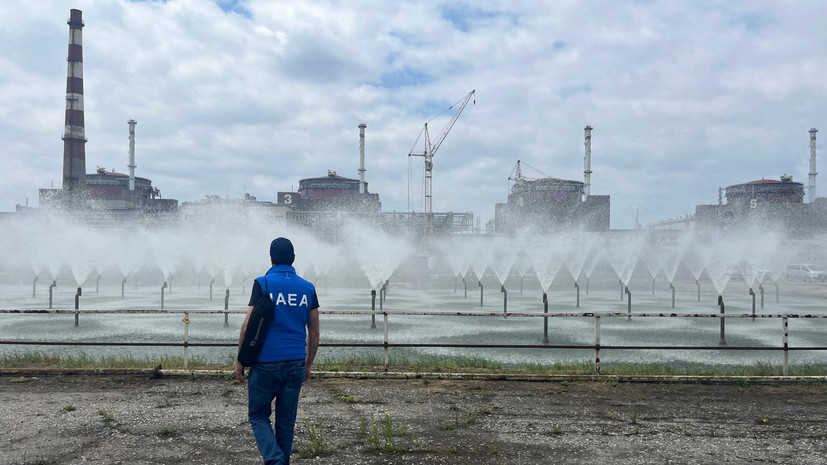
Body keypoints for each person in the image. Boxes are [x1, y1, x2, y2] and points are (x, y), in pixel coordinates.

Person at [235, 237, 320, 465]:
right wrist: (308, 364)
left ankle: (274, 460)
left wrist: (241, 360)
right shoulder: (308, 288)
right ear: (294, 258)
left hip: (265, 364)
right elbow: (314, 331)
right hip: (295, 363)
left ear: (271, 258)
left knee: (258, 415)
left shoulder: (263, 284)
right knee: (286, 422)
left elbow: (247, 326)